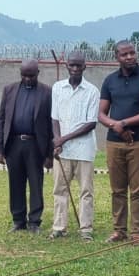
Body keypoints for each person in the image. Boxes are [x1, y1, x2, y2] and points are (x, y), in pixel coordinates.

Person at [98, 40, 139, 245]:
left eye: (132, 53)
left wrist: (122, 123)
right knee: (117, 190)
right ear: (117, 57)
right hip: (114, 144)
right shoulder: (109, 81)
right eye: (124, 54)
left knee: (137, 189)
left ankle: (136, 233)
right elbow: (101, 114)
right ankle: (119, 231)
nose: (130, 57)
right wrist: (114, 126)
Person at [0, 59, 53, 234]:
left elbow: (51, 123)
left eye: (31, 75)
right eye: (24, 75)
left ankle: (34, 222)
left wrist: (49, 153)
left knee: (36, 183)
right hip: (13, 144)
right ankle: (18, 220)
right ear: (20, 74)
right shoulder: (10, 90)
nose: (27, 79)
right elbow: (1, 119)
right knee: (16, 183)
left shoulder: (47, 92)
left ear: (38, 73)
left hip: (35, 145)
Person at [49, 51, 100, 241]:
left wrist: (64, 138)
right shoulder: (57, 88)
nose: (75, 69)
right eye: (72, 65)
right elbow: (54, 117)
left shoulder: (92, 91)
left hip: (84, 150)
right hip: (63, 151)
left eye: (79, 65)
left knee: (86, 191)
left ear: (84, 67)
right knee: (60, 189)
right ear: (67, 66)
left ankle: (86, 229)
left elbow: (91, 124)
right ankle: (59, 227)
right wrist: (57, 140)